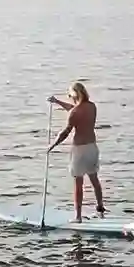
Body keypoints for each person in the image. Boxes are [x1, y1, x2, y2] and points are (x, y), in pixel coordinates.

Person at [47, 82, 105, 221]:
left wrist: (52, 145)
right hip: (92, 148)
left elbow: (66, 132)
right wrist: (57, 102)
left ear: (74, 95)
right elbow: (75, 109)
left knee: (78, 184)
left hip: (79, 150)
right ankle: (101, 209)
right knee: (94, 180)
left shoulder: (74, 112)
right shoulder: (92, 107)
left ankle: (78, 217)